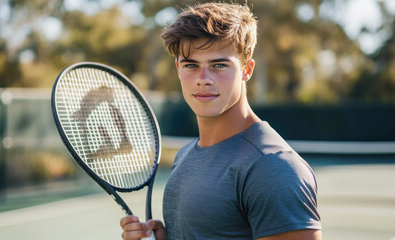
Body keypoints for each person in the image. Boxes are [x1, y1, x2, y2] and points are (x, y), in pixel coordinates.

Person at [120, 2, 322, 239]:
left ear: (247, 69)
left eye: (218, 65)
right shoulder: (185, 155)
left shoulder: (273, 168)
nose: (203, 79)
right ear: (178, 69)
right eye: (191, 65)